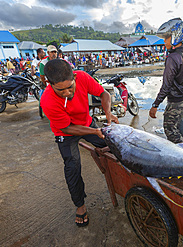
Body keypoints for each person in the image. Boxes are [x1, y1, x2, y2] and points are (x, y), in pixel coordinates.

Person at [40, 59, 119, 227]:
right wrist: (94, 131)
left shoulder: (83, 77)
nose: (67, 93)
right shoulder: (47, 100)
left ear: (74, 76)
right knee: (72, 166)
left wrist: (108, 113)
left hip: (87, 122)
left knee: (113, 146)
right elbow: (68, 128)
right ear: (49, 83)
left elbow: (104, 94)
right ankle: (80, 206)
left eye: (70, 87)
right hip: (65, 132)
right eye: (61, 90)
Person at [149, 18, 183, 143]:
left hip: (176, 101)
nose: (164, 41)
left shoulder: (172, 58)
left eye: (166, 38)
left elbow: (166, 85)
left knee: (170, 131)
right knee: (176, 128)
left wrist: (155, 105)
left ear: (175, 37)